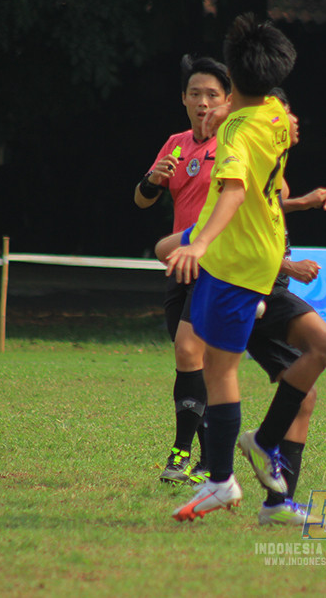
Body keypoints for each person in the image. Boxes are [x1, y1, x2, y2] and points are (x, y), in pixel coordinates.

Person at [155, 88, 326, 525]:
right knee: (225, 373)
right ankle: (220, 474)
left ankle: (273, 499)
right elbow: (169, 243)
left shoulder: (266, 171)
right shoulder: (232, 179)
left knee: (309, 383)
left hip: (265, 288)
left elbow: (267, 205)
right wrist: (194, 243)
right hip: (243, 292)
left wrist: (299, 213)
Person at [163, 13, 301, 522]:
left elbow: (234, 191)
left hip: (233, 260)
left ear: (231, 82)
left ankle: (224, 478)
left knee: (219, 370)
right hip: (264, 255)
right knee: (204, 352)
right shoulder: (275, 116)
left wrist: (200, 244)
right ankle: (240, 474)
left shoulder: (237, 134)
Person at [134, 55, 232, 485]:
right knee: (192, 361)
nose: (203, 102)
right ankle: (210, 462)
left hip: (217, 263)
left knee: (189, 351)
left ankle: (179, 455)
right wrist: (153, 180)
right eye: (196, 94)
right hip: (180, 265)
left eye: (212, 94)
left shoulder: (234, 144)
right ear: (184, 99)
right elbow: (141, 201)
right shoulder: (175, 143)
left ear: (228, 100)